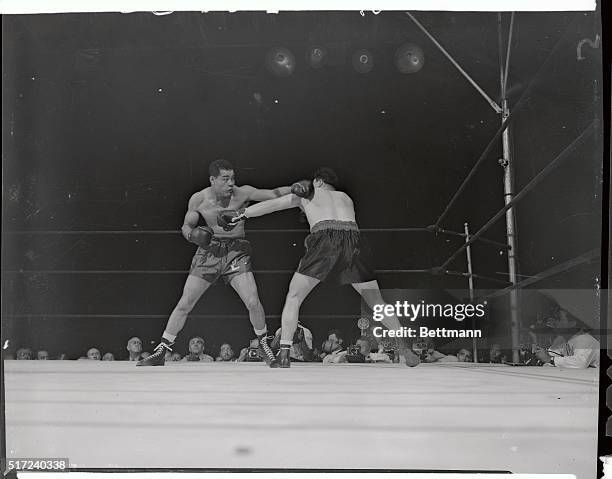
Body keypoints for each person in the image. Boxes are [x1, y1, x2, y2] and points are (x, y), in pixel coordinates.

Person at [231, 167, 420, 368]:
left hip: (325, 239)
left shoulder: (310, 191)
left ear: (319, 181)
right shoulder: (346, 198)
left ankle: (285, 353)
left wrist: (241, 214)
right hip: (354, 241)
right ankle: (404, 346)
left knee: (294, 296)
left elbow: (274, 205)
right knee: (376, 301)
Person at [138, 159, 291, 367]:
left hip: (236, 251)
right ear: (212, 180)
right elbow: (186, 225)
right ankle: (162, 350)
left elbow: (273, 194)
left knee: (253, 300)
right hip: (208, 252)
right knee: (185, 302)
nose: (231, 183)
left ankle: (263, 344)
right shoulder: (199, 199)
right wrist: (192, 235)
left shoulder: (242, 193)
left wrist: (297, 188)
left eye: (233, 178)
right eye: (225, 179)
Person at [534, 308, 599, 368]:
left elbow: (580, 363)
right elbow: (550, 357)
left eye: (558, 319)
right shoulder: (560, 339)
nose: (552, 322)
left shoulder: (585, 339)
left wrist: (550, 359)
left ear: (572, 323)